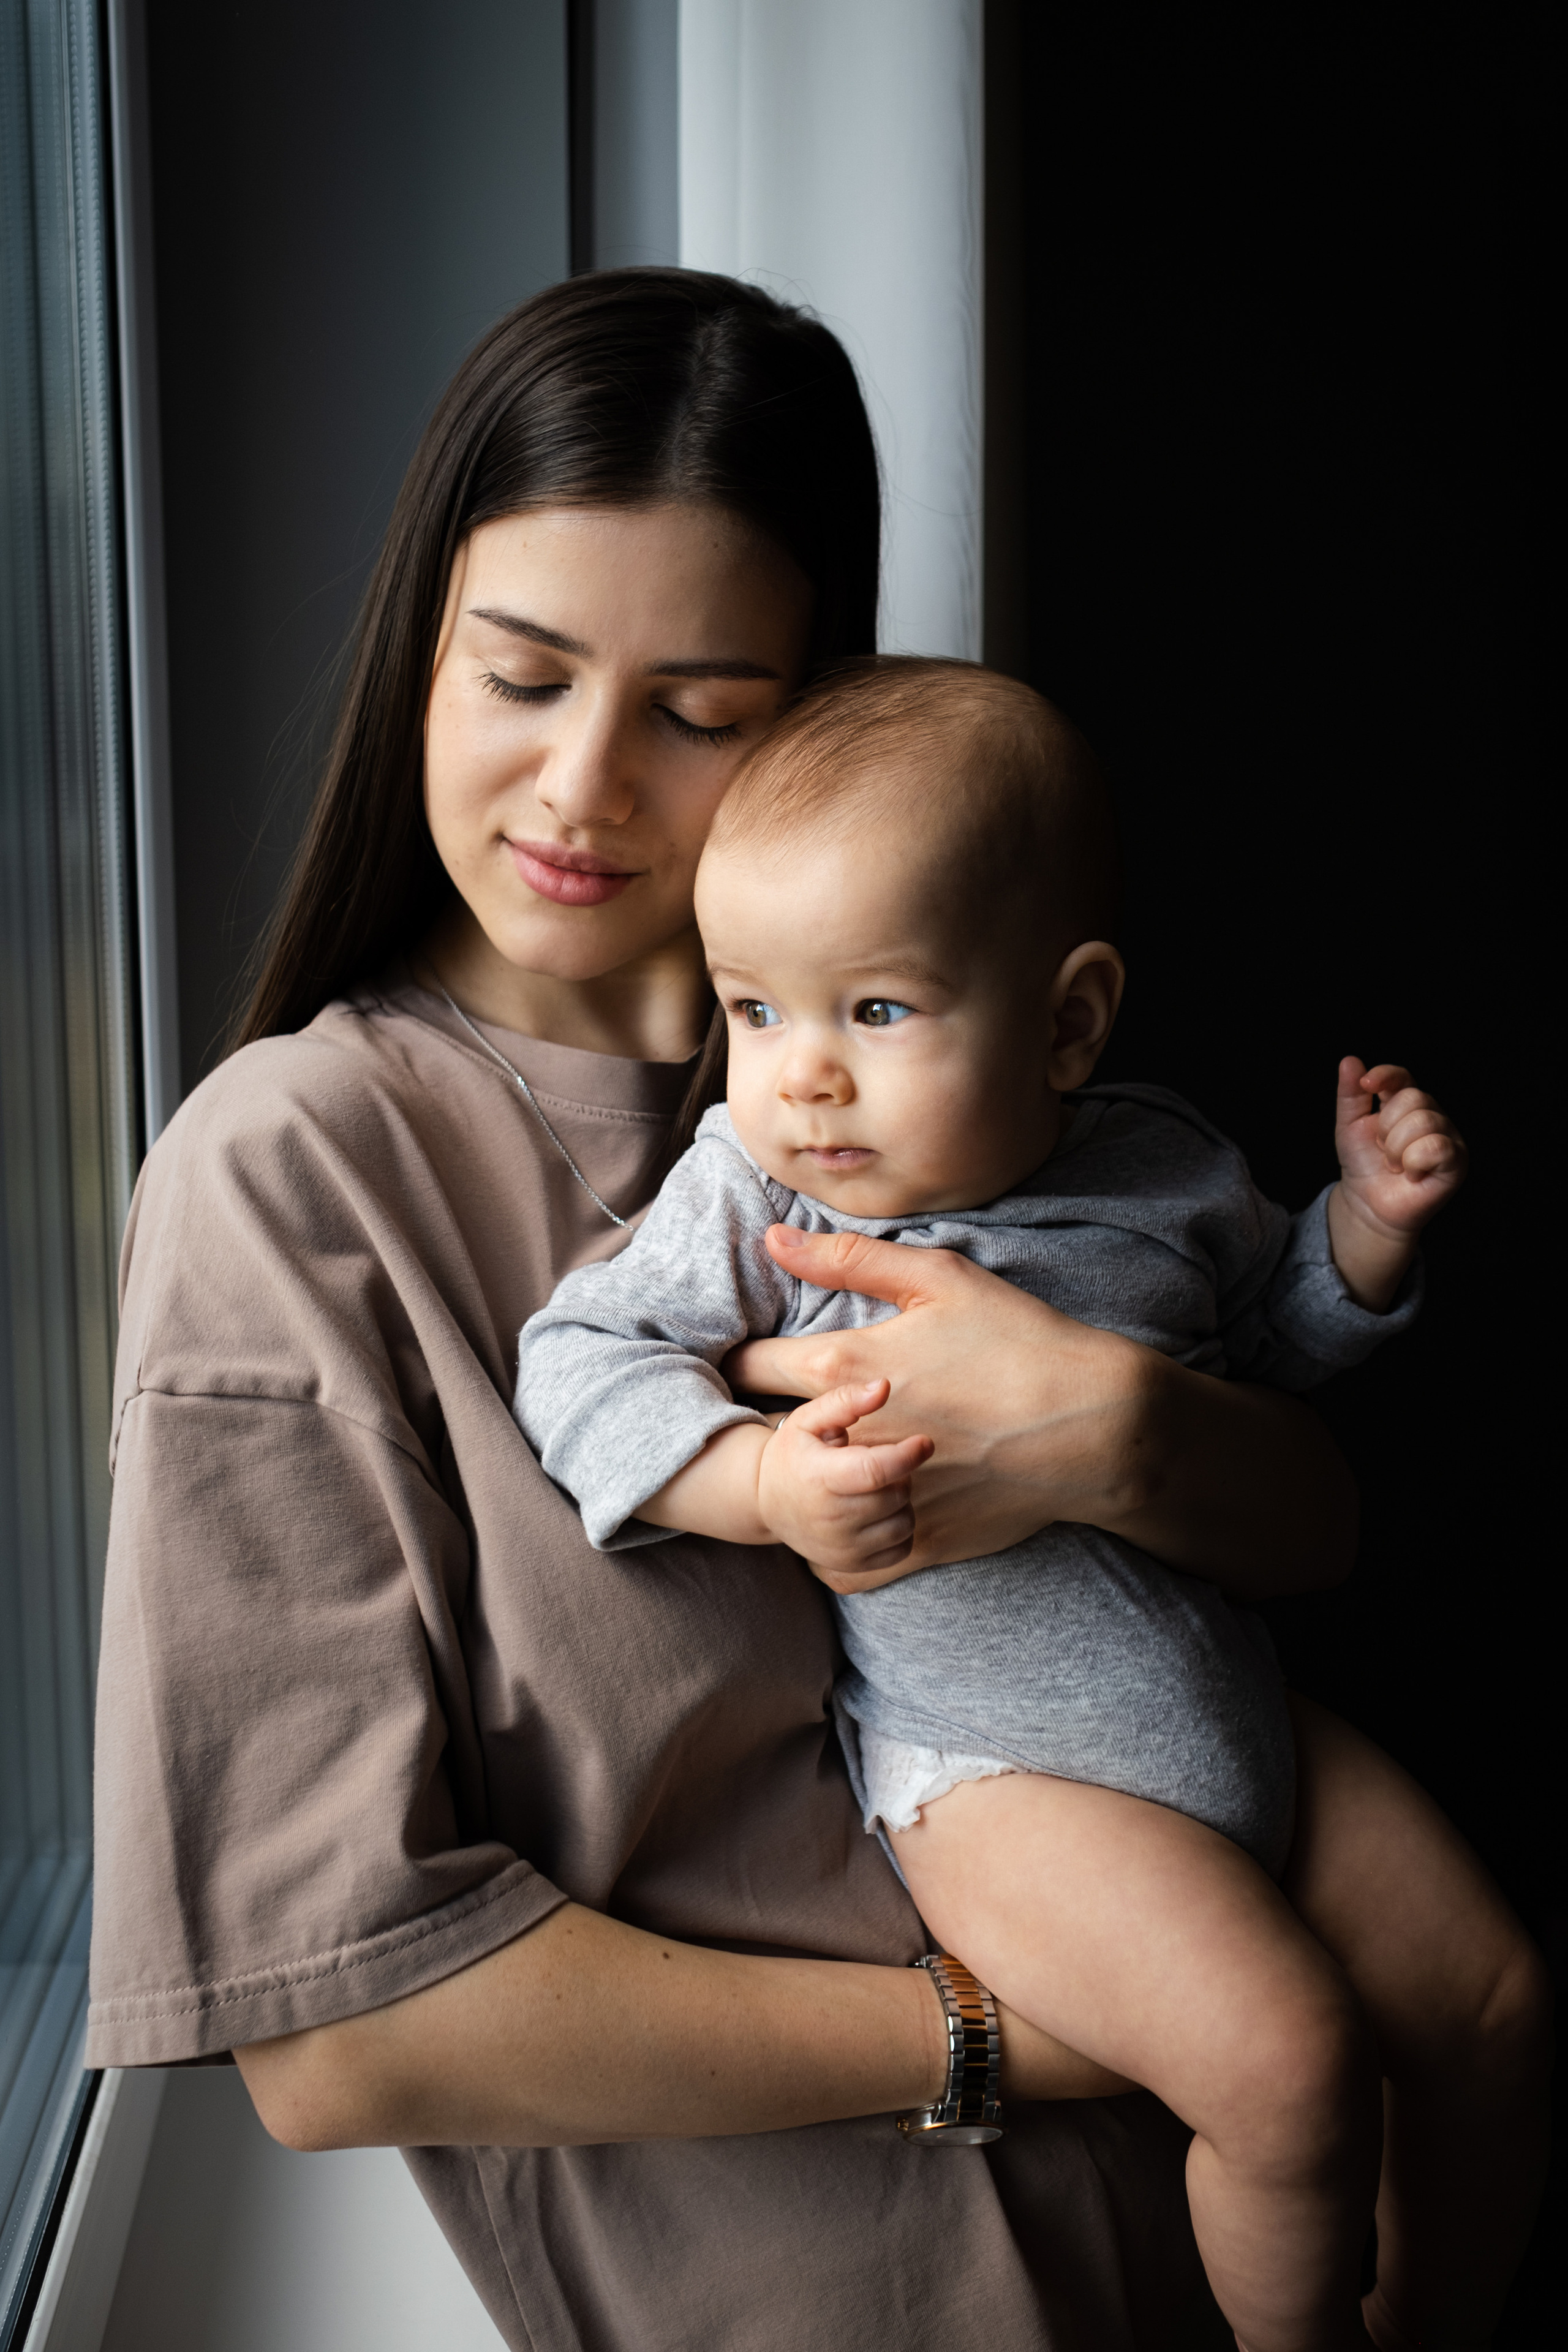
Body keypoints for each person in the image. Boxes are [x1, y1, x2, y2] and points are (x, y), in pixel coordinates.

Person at [88, 271, 1438, 2352]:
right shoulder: (297, 1173)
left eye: (705, 714)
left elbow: (1316, 1534)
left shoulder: (975, 1088)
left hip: (1235, 2236)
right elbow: (340, 2032)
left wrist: (1109, 1429)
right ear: (421, 664)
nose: (586, 788)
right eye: (521, 676)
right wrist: (1016, 2032)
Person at [514, 658, 1551, 2351]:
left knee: (1497, 2005)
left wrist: (1360, 1236)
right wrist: (763, 1481)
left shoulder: (1162, 1166)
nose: (803, 1079)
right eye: (756, 1009)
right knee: (1287, 2069)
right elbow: (580, 1355)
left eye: (877, 1012)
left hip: (1230, 1715)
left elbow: (1260, 1350)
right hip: (1001, 1778)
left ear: (1068, 1020)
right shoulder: (758, 1193)